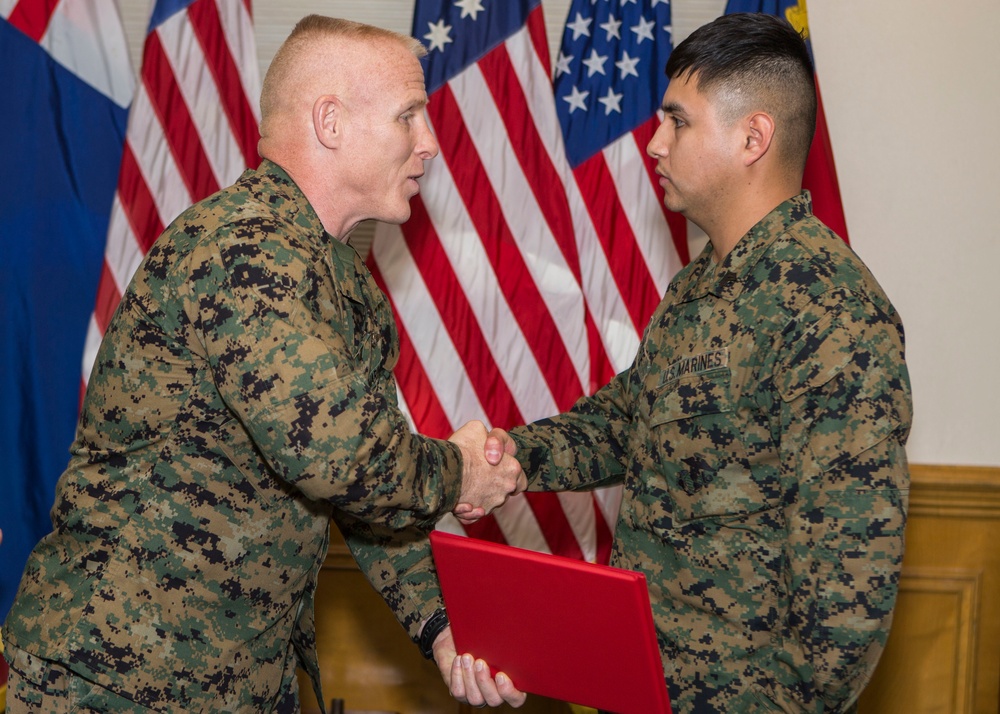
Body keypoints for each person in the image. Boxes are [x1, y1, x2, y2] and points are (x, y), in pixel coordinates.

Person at [1, 15, 525, 713]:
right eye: (409, 116)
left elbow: (366, 503)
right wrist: (461, 469)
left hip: (240, 680)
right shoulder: (243, 249)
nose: (429, 144)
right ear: (330, 122)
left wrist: (440, 627)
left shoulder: (348, 288)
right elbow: (342, 458)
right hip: (119, 674)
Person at [413, 12, 913, 712]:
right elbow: (626, 424)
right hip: (641, 681)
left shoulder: (830, 307)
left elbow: (850, 581)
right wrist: (511, 458)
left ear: (752, 137)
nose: (653, 144)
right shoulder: (698, 286)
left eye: (678, 121)